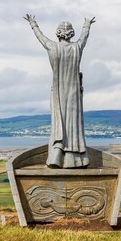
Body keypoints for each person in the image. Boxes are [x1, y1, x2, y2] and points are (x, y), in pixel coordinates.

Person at [24, 13, 96, 168]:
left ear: (58, 33)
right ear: (71, 33)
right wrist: (87, 25)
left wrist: (33, 23)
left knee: (59, 122)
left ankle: (57, 155)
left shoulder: (52, 46)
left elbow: (41, 37)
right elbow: (84, 38)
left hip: (57, 92)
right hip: (74, 92)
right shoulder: (76, 48)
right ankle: (73, 158)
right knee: (73, 123)